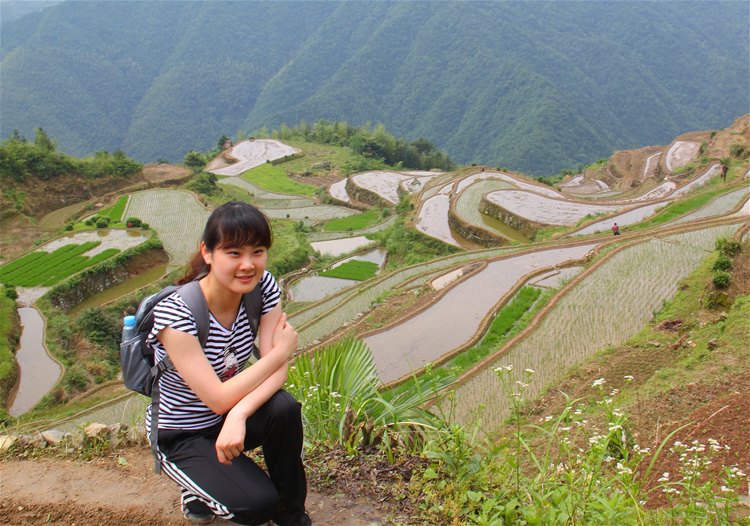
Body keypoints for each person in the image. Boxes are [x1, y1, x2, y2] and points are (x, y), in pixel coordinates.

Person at [146, 201, 312, 526]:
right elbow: (219, 396)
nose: (248, 265)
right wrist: (283, 351)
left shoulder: (262, 287)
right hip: (183, 434)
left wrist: (239, 413)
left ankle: (293, 517)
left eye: (258, 251)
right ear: (207, 253)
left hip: (228, 416)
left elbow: (275, 372)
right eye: (234, 253)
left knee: (284, 408)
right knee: (258, 504)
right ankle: (196, 486)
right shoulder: (175, 315)